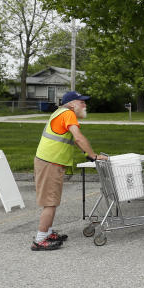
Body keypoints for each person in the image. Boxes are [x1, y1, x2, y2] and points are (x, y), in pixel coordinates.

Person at [31, 90, 107, 251]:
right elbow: (78, 137)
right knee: (50, 203)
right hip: (49, 163)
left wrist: (87, 153)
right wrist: (93, 156)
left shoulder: (61, 113)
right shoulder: (68, 114)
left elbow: (75, 140)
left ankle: (48, 232)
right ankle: (40, 239)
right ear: (72, 104)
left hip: (50, 163)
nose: (85, 105)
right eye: (82, 102)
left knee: (52, 201)